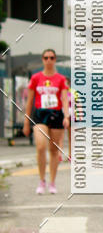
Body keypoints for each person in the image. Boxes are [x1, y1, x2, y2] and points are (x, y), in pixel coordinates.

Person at [23, 50, 69, 194]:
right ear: (42, 59)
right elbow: (29, 101)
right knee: (41, 146)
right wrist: (26, 122)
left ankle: (52, 182)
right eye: (46, 57)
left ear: (55, 60)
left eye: (52, 58)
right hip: (40, 115)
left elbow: (64, 99)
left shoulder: (61, 79)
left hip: (56, 115)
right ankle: (42, 180)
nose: (49, 60)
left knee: (54, 150)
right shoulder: (36, 78)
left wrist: (67, 116)